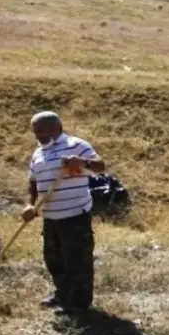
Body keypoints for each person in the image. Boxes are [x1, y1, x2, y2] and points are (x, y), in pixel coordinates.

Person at [23, 111, 106, 320]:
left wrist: (82, 163)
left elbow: (101, 166)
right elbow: (33, 183)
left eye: (41, 130)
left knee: (77, 261)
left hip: (75, 215)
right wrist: (29, 205)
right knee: (54, 259)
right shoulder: (38, 154)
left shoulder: (76, 145)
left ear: (56, 128)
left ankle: (79, 304)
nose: (38, 135)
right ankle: (62, 294)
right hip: (51, 217)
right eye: (35, 132)